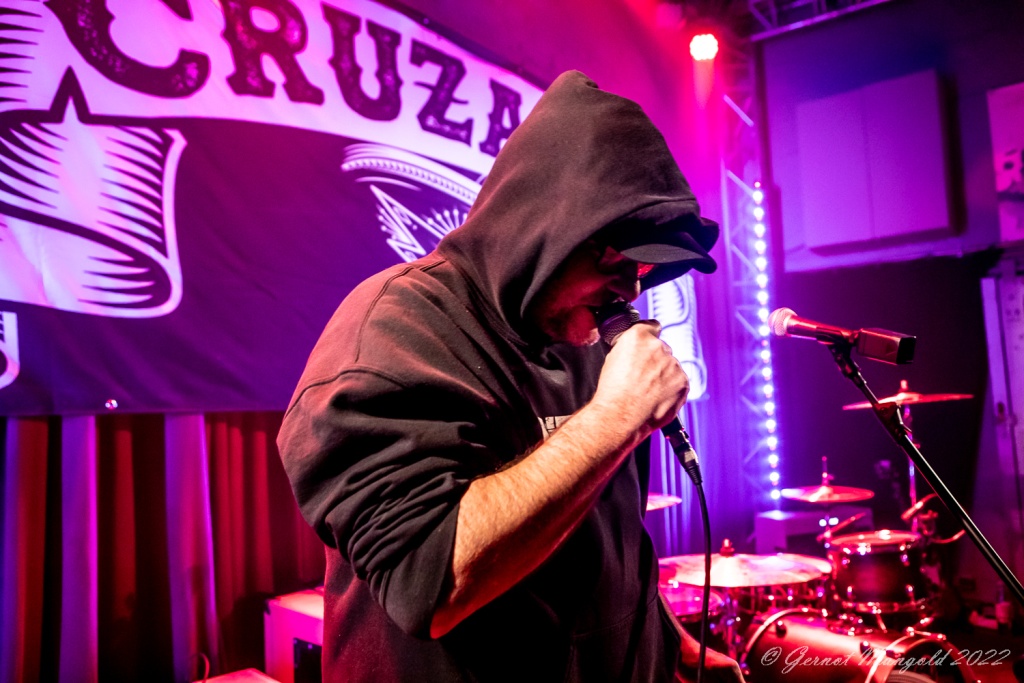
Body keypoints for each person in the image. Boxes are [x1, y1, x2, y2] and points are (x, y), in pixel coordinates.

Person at [278, 70, 743, 683]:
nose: (630, 291)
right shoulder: (395, 331)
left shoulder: (579, 330)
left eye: (642, 271)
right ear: (544, 231)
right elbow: (429, 583)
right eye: (617, 264)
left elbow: (609, 538)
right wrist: (616, 418)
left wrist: (666, 641)